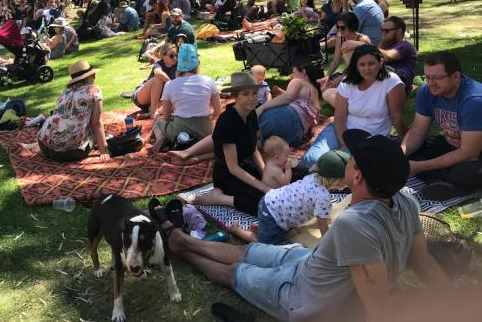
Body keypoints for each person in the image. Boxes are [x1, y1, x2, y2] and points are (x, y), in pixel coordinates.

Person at [151, 130, 450, 322]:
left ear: (357, 177)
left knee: (235, 272)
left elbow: (378, 306)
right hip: (307, 262)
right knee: (250, 252)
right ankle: (182, 240)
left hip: (300, 294)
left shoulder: (354, 227)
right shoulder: (405, 202)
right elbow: (426, 265)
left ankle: (182, 249)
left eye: (351, 159)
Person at [302, 44, 406, 168]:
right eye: (362, 65)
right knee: (310, 160)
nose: (367, 69)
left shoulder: (392, 82)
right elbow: (340, 117)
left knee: (334, 165)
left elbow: (396, 118)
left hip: (370, 139)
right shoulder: (347, 83)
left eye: (371, 63)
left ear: (381, 62)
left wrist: (408, 142)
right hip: (342, 131)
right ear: (356, 66)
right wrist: (344, 143)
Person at [187, 72, 269, 214]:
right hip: (227, 175)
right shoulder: (227, 121)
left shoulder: (252, 115)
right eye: (246, 94)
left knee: (283, 182)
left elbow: (254, 150)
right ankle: (218, 198)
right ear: (235, 96)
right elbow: (233, 168)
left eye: (255, 93)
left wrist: (266, 175)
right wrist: (262, 186)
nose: (252, 98)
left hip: (246, 168)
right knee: (261, 203)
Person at [232, 150, 349, 245]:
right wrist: (329, 244)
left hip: (272, 203)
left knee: (274, 230)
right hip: (272, 213)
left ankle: (260, 228)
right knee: (268, 246)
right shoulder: (323, 197)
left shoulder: (313, 177)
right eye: (347, 179)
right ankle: (237, 230)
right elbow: (322, 224)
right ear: (336, 179)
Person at [402, 51, 482, 190]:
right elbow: (417, 132)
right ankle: (440, 179)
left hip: (475, 152)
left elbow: (469, 153)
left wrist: (419, 167)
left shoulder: (473, 100)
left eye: (437, 78)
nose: (431, 83)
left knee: (465, 173)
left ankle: (436, 177)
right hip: (454, 145)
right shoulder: (427, 91)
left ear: (456, 76)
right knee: (401, 146)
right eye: (427, 77)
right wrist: (398, 156)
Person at [151, 44, 221, 153]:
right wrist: (209, 121)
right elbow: (218, 111)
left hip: (179, 130)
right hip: (205, 130)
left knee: (158, 123)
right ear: (197, 63)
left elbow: (166, 117)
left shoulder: (170, 85)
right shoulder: (209, 81)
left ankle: (162, 138)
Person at [37, 60, 110, 162]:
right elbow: (96, 123)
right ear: (90, 76)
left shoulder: (65, 92)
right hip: (71, 153)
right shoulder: (94, 91)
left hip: (44, 147)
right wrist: (104, 151)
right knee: (96, 131)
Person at [255, 62, 320, 147]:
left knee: (251, 124)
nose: (291, 76)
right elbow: (314, 119)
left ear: (303, 72)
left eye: (293, 72)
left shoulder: (298, 81)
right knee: (269, 144)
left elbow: (288, 97)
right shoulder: (315, 92)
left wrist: (262, 107)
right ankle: (262, 141)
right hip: (296, 136)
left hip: (286, 118)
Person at [319, 12, 371, 90]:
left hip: (361, 73)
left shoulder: (363, 39)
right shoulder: (340, 37)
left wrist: (343, 76)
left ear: (351, 26)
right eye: (338, 27)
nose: (339, 30)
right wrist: (327, 76)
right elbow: (336, 60)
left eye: (342, 28)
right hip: (348, 72)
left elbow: (369, 62)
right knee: (323, 87)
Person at [132, 42, 177, 119]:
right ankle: (153, 113)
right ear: (163, 56)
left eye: (176, 55)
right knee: (158, 79)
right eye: (172, 56)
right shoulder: (159, 64)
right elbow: (158, 73)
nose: (175, 58)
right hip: (141, 97)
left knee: (176, 102)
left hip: (155, 101)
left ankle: (150, 113)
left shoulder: (177, 66)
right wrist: (171, 83)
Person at [378, 16, 417, 91]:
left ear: (399, 31)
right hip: (388, 78)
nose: (383, 34)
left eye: (387, 31)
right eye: (382, 30)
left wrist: (366, 47)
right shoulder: (388, 44)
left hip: (399, 78)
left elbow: (388, 56)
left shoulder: (405, 45)